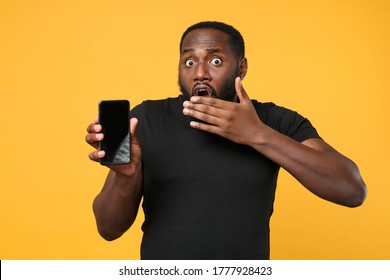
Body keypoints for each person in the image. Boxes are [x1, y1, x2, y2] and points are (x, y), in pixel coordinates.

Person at [85, 21, 367, 260]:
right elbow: (108, 229)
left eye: (215, 60)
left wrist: (259, 134)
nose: (200, 73)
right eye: (189, 61)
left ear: (241, 67)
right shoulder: (144, 119)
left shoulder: (275, 120)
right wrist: (124, 177)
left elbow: (352, 191)